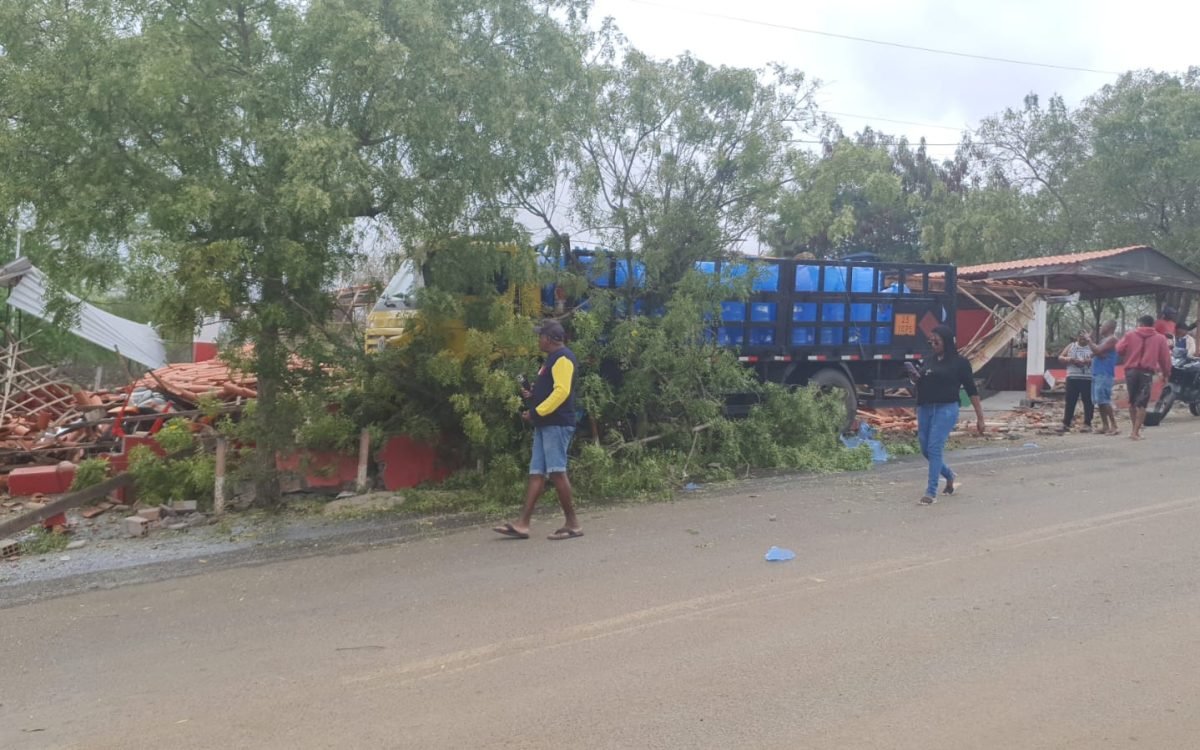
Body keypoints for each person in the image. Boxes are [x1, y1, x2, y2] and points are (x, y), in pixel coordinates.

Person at [494, 320, 584, 540]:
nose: (538, 340)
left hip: (557, 423)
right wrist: (534, 395)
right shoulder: (551, 360)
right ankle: (523, 524)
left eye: (541, 336)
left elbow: (561, 392)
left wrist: (537, 412)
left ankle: (573, 523)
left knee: (556, 471)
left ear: (550, 339)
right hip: (546, 423)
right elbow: (552, 390)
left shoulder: (563, 358)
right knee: (537, 474)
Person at [913, 325, 986, 505]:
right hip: (925, 408)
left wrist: (980, 417)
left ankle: (931, 492)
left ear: (946, 341)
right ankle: (949, 475)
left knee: (935, 447)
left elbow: (971, 390)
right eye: (932, 341)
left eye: (937, 341)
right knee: (925, 449)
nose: (934, 344)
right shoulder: (929, 360)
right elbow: (921, 383)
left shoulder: (960, 363)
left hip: (946, 409)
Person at [1116, 314, 1173, 441]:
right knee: (1142, 403)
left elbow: (1119, 349)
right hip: (1146, 372)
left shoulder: (1130, 335)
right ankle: (1136, 432)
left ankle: (1133, 429)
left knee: (1132, 401)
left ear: (1140, 324)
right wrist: (1166, 373)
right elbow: (1165, 358)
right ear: (1152, 325)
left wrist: (1131, 351)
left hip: (1130, 371)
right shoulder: (1160, 338)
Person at [1085, 320, 1120, 435]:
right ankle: (1105, 425)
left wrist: (1089, 340)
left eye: (1103, 326)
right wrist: (1097, 352)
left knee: (1104, 400)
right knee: (1099, 401)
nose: (1100, 328)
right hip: (1097, 372)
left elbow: (1097, 350)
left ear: (1109, 327)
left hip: (1105, 373)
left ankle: (1114, 426)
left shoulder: (1112, 339)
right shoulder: (1104, 340)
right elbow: (1095, 353)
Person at [1056, 331, 1094, 433]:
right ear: (1077, 337)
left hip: (1087, 378)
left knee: (1088, 401)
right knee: (1070, 401)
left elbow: (1098, 358)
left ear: (1089, 337)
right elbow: (1060, 357)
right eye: (1080, 337)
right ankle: (1066, 424)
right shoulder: (1071, 346)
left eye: (1085, 337)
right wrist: (1070, 359)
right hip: (1072, 377)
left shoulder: (1092, 347)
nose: (1082, 339)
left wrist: (1089, 361)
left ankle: (1087, 423)